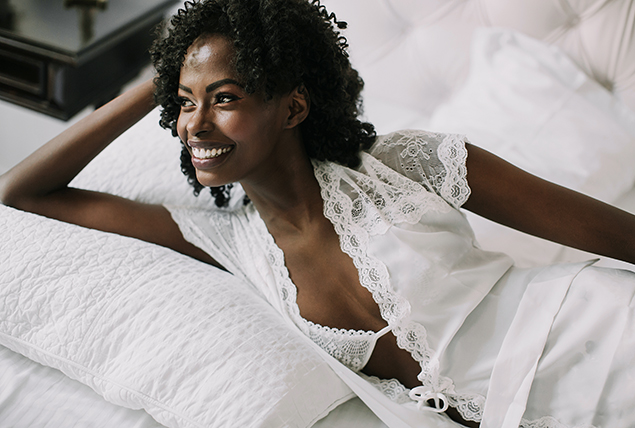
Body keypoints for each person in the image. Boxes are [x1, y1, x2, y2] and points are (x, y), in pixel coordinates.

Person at [0, 0, 634, 427]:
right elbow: (23, 193)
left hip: (602, 339)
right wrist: (164, 76)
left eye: (225, 99)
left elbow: (613, 232)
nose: (195, 124)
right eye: (185, 103)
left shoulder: (407, 162)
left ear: (294, 109)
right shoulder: (229, 244)